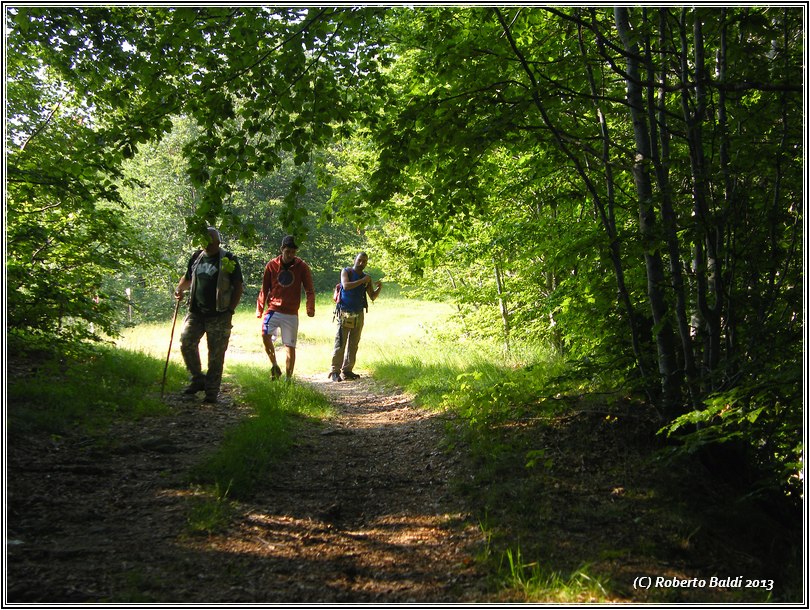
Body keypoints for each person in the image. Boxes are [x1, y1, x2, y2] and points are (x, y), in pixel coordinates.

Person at [175, 227, 244, 403]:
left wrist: (230, 310)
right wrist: (179, 289)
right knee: (186, 342)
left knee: (216, 355)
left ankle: (212, 391)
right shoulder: (196, 257)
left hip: (219, 314)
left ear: (218, 242)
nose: (206, 244)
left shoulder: (228, 259)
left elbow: (238, 286)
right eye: (204, 241)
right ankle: (198, 378)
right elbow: (187, 278)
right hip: (196, 312)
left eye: (210, 241)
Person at [256, 235, 315, 381]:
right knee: (265, 334)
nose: (290, 255)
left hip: (291, 312)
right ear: (282, 249)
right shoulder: (271, 265)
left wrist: (310, 308)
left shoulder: (302, 266)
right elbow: (264, 288)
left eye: (293, 252)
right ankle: (275, 366)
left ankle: (288, 380)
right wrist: (260, 308)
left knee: (290, 346)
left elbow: (309, 289)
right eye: (288, 251)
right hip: (274, 309)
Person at [329, 252, 382, 381]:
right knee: (341, 342)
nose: (361, 263)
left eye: (364, 261)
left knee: (354, 343)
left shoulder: (366, 278)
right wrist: (363, 281)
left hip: (359, 312)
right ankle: (334, 371)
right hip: (345, 311)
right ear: (355, 260)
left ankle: (347, 370)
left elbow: (372, 296)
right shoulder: (346, 271)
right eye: (360, 260)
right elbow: (346, 286)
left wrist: (379, 288)